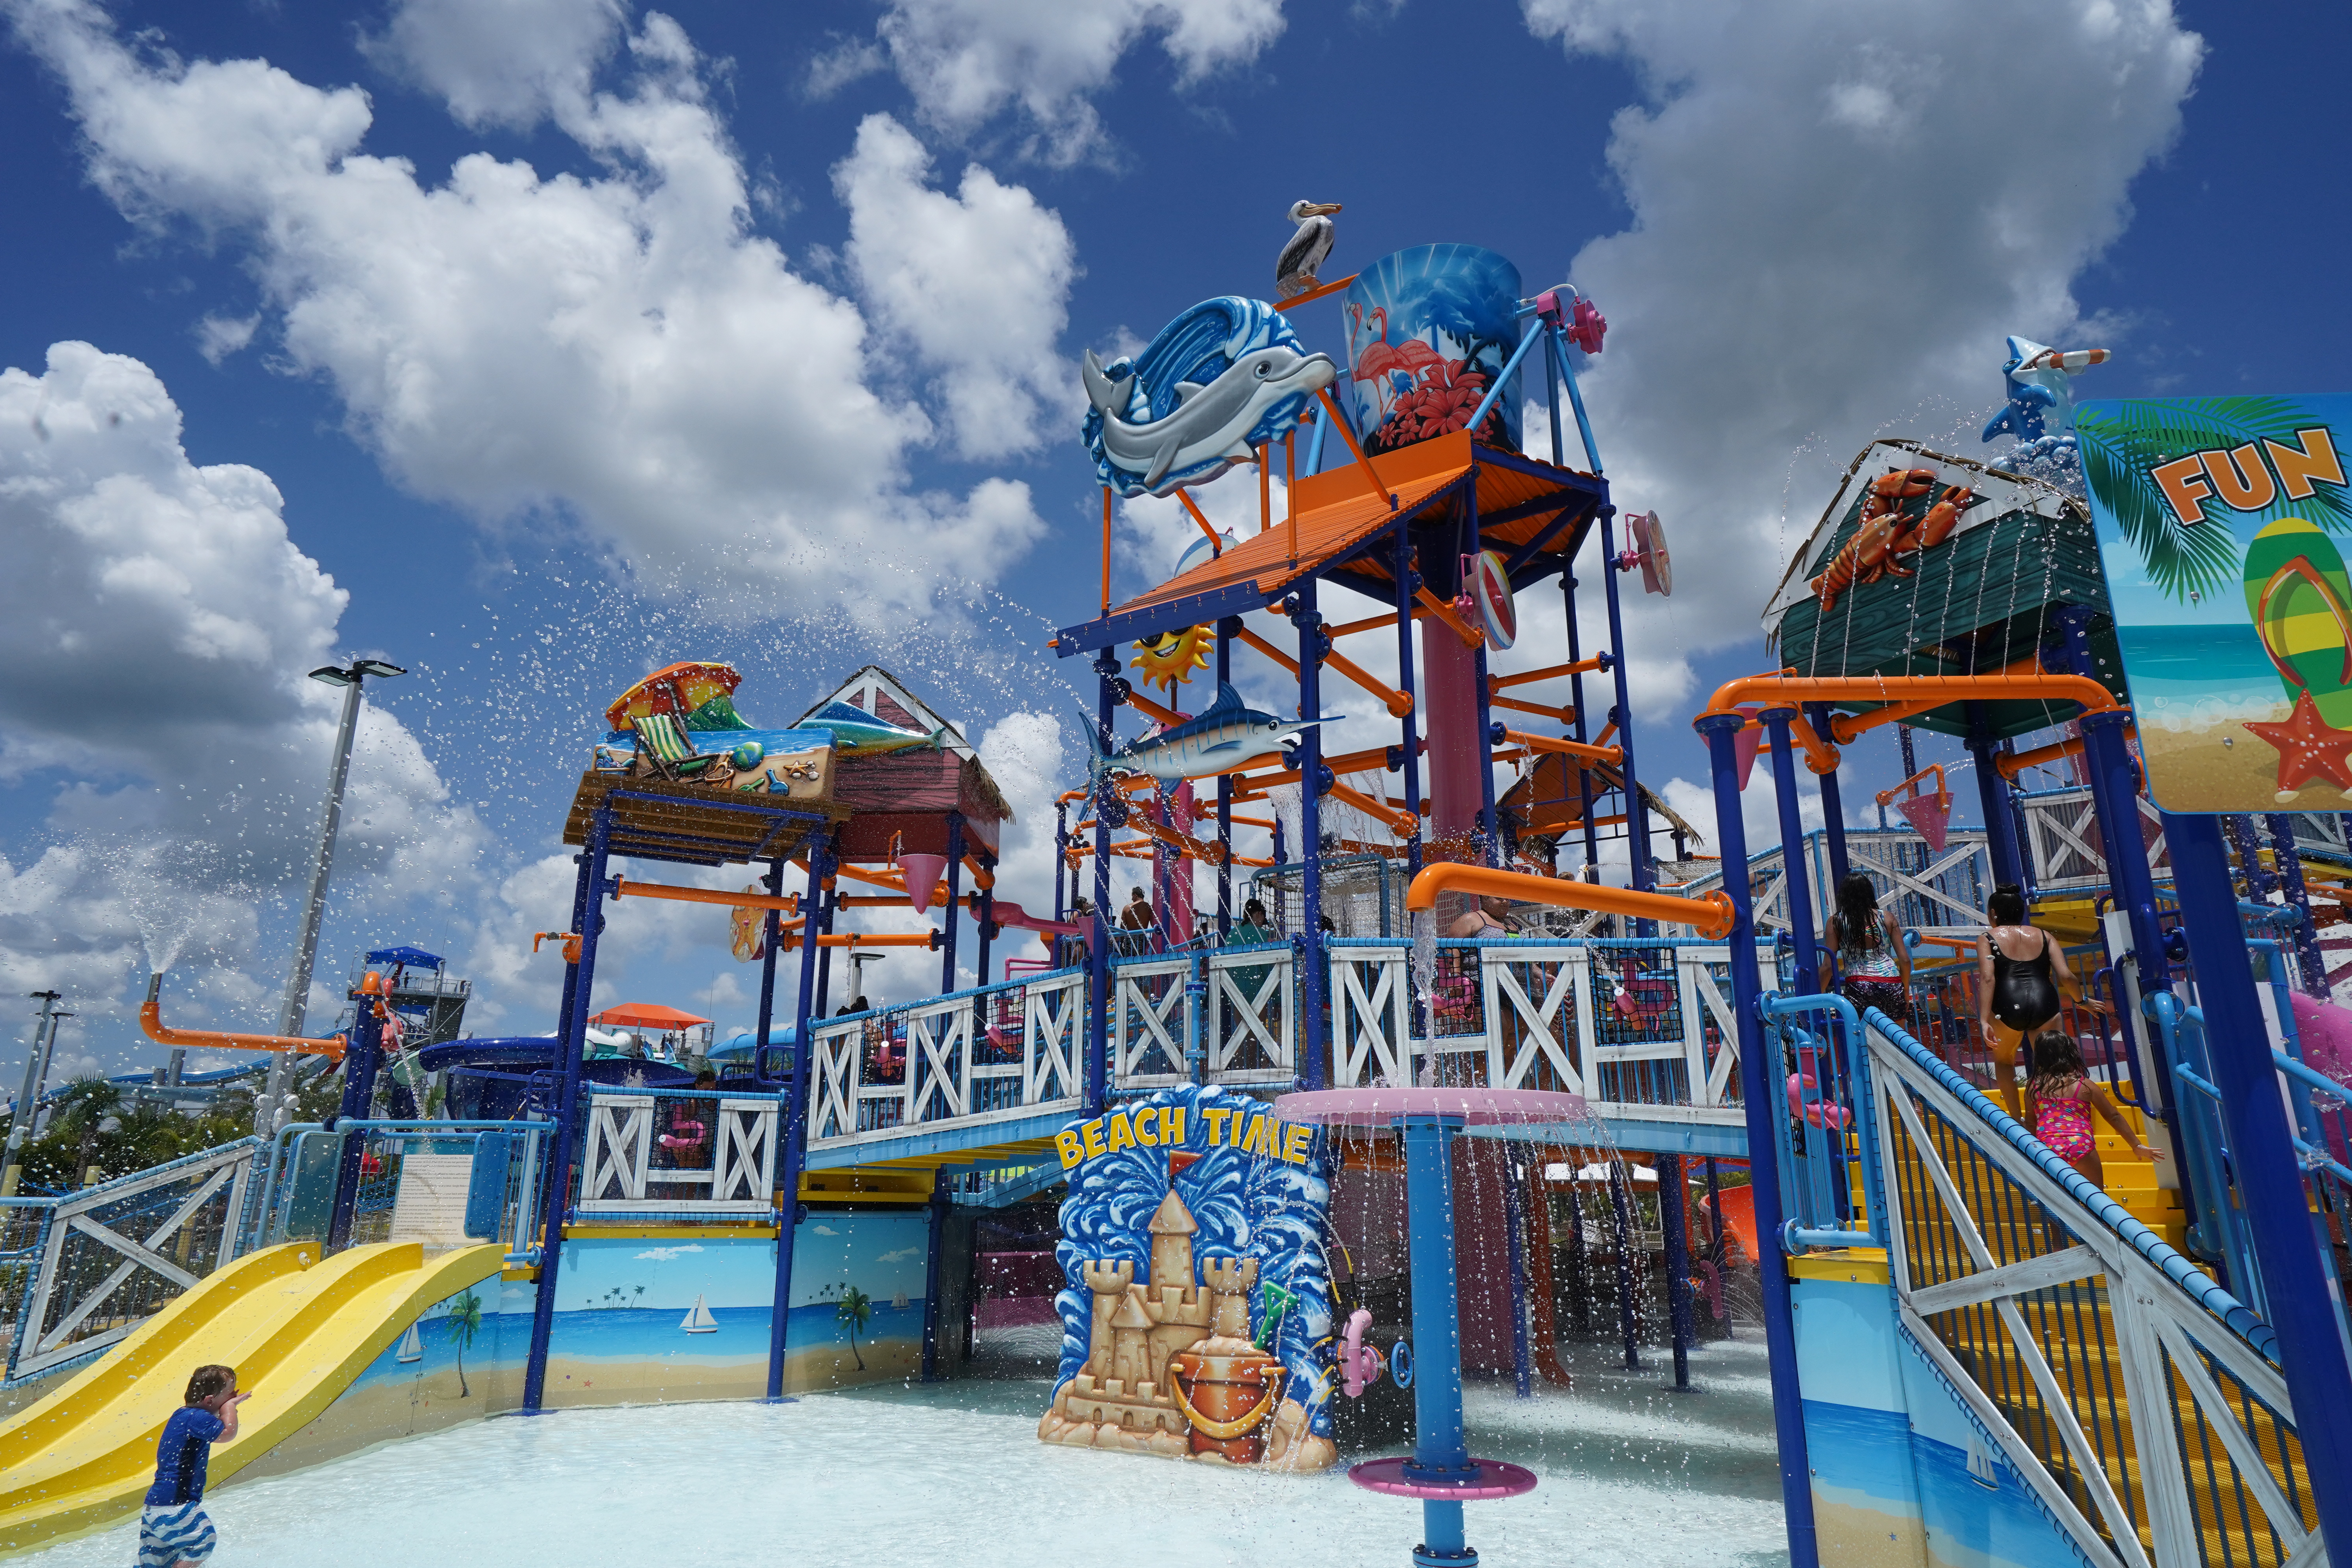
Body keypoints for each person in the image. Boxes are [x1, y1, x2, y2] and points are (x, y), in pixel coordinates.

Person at [1977, 884, 2079, 1119]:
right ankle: (2057, 1117)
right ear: (2021, 910)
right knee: (2053, 1064)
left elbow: (1988, 977)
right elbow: (2066, 976)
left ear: (1993, 913)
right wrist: (2082, 1001)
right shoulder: (2045, 936)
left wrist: (1984, 1020)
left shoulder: (1987, 938)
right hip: (2045, 1003)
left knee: (2004, 1062)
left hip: (2007, 1005)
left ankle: (2016, 1121)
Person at [140, 1363, 247, 1568]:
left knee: (158, 1563)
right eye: (230, 1392)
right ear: (209, 1400)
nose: (235, 1394)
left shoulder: (184, 1415)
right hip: (176, 1506)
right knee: (204, 1540)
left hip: (155, 1508)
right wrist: (230, 1408)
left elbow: (212, 1421)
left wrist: (225, 1404)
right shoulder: (197, 1418)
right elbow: (228, 1433)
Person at [2025, 1029, 2157, 1187]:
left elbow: (2031, 1123)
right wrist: (2136, 1145)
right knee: (2096, 1202)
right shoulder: (2084, 1085)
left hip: (2048, 1148)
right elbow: (2113, 1116)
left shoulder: (2033, 1086)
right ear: (2070, 1054)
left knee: (2058, 1201)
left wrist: (2033, 1152)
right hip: (2080, 1145)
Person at [1822, 871, 1911, 1020]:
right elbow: (1905, 960)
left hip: (1859, 983)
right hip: (1891, 982)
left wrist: (1820, 991)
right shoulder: (1887, 918)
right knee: (1897, 1039)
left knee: (1863, 1039)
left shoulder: (1836, 922)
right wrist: (1906, 989)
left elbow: (1828, 965)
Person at [1449, 895, 1514, 938]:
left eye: (1507, 898)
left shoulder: (1511, 925)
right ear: (1485, 898)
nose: (1505, 902)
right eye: (1499, 898)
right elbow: (1453, 950)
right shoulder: (1471, 920)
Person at [1116, 887, 1153, 956]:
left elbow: (1123, 927)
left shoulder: (1127, 908)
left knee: (1128, 960)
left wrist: (1120, 942)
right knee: (1141, 960)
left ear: (1135, 895)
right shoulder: (1149, 908)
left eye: (1132, 896)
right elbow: (1153, 924)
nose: (1132, 899)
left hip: (1129, 938)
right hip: (1141, 938)